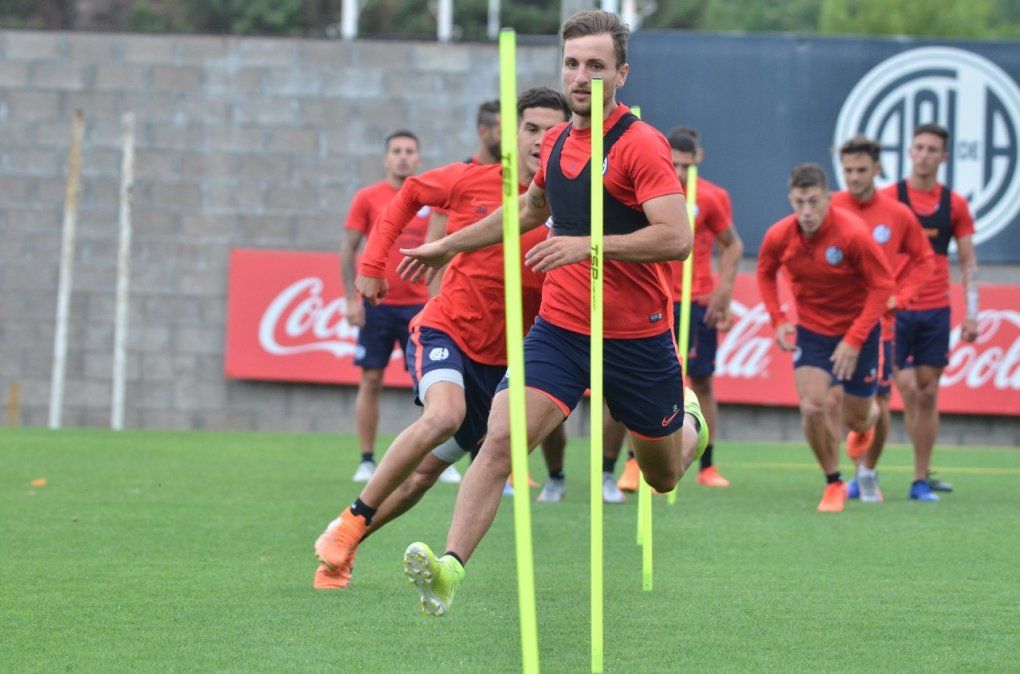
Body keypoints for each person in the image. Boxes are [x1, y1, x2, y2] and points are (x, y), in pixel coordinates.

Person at [396, 10, 709, 617]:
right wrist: (448, 244)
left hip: (636, 337)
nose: (581, 77)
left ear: (621, 73)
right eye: (572, 64)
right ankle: (449, 569)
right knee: (500, 440)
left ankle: (688, 416)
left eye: (596, 66)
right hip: (561, 330)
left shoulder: (640, 145)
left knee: (663, 476)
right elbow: (529, 209)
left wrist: (588, 245)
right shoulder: (560, 140)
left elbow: (677, 238)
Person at [312, 87, 571, 590]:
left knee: (420, 478)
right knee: (443, 415)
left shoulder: (577, 204)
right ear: (512, 134)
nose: (541, 139)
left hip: (506, 364)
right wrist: (373, 264)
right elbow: (409, 193)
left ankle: (342, 548)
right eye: (531, 128)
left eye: (552, 130)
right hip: (447, 329)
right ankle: (352, 518)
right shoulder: (472, 179)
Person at [610, 127, 743, 493]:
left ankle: (707, 464)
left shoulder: (712, 197)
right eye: (676, 164)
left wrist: (723, 290)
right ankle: (634, 462)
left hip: (696, 301)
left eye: (688, 164)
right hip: (653, 299)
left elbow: (732, 244)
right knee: (638, 381)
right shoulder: (645, 190)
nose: (681, 172)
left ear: (698, 159)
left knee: (702, 380)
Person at [757, 163, 893, 513]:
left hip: (858, 331)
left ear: (828, 199)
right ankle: (833, 482)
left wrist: (854, 339)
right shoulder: (779, 235)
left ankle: (867, 423)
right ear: (791, 199)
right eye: (799, 202)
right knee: (812, 407)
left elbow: (882, 286)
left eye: (813, 202)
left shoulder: (853, 234)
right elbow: (765, 272)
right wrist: (778, 319)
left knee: (856, 419)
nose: (806, 211)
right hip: (813, 331)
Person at [832, 135, 934, 502]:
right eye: (848, 170)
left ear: (877, 169)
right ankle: (838, 473)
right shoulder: (831, 208)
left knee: (880, 399)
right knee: (836, 401)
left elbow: (924, 260)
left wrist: (901, 297)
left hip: (879, 324)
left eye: (861, 169)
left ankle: (867, 474)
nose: (854, 177)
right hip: (836, 324)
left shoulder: (896, 214)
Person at [880, 123, 979, 502]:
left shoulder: (955, 205)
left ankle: (920, 478)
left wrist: (972, 313)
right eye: (918, 147)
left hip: (935, 310)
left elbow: (968, 263)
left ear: (944, 157)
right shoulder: (890, 198)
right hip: (895, 308)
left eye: (931, 149)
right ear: (909, 151)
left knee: (927, 394)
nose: (924, 155)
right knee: (898, 389)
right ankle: (865, 471)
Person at [340, 131, 432, 483]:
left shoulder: (430, 198)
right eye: (397, 151)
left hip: (419, 306)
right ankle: (366, 459)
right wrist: (351, 298)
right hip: (377, 303)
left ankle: (434, 459)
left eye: (410, 150)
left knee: (430, 384)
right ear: (386, 158)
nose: (403, 156)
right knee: (371, 379)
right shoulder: (367, 197)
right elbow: (348, 249)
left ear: (418, 158)